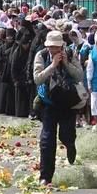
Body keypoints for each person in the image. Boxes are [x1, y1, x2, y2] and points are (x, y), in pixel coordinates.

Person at [33, 30, 85, 185]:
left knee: (66, 134)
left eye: (56, 47)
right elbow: (37, 78)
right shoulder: (41, 56)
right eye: (50, 47)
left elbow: (79, 76)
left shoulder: (69, 53)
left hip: (67, 101)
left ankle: (70, 145)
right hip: (49, 102)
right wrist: (53, 65)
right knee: (47, 139)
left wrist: (66, 64)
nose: (53, 50)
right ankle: (45, 176)